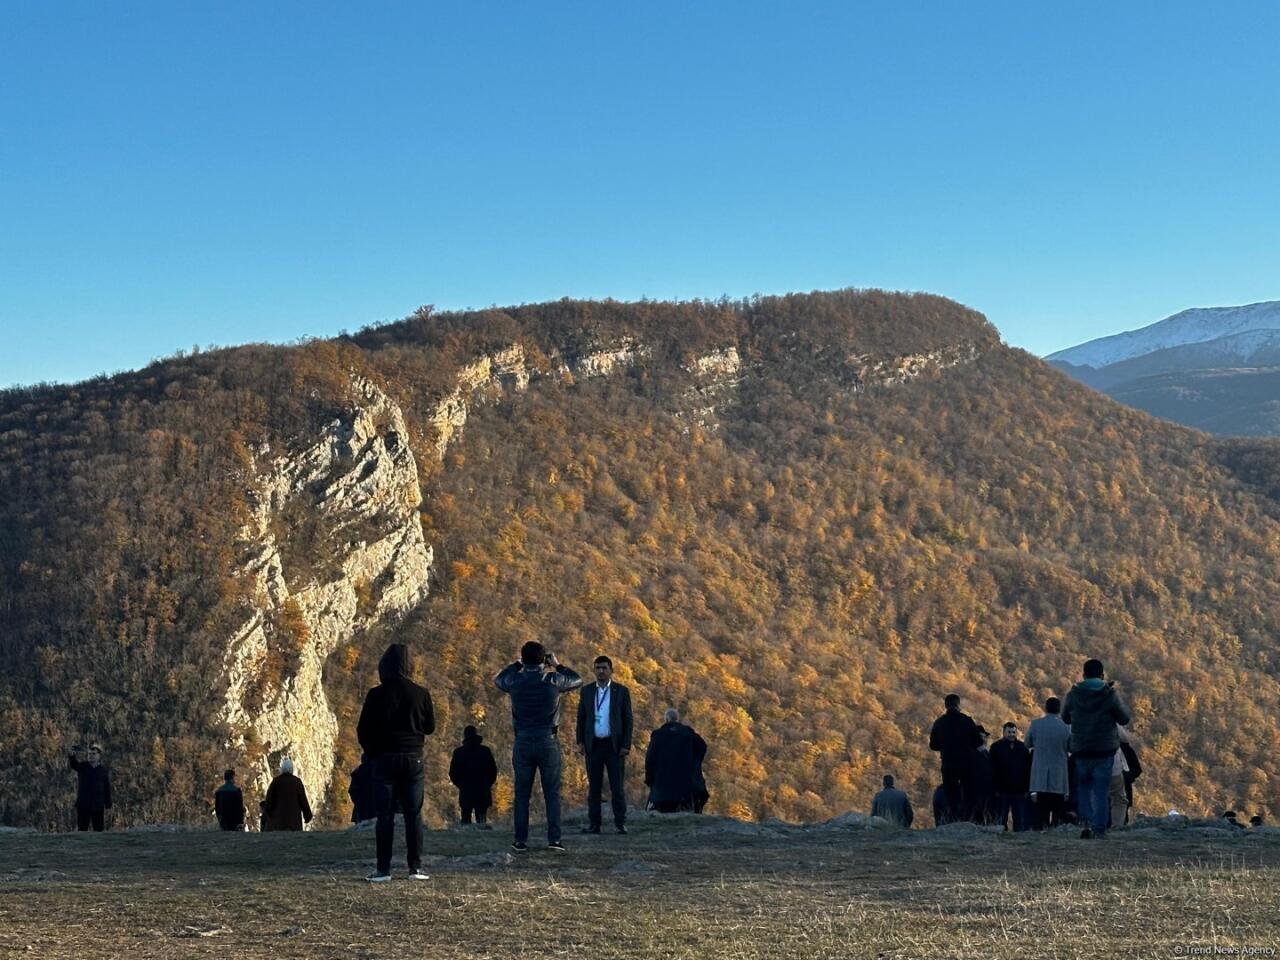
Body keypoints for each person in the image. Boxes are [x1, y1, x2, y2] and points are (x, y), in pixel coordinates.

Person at [357, 642, 436, 882]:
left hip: (384, 759)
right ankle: (416, 868)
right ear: (410, 666)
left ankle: (383, 870)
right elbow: (430, 727)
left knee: (385, 816)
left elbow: (363, 729)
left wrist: (372, 753)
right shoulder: (421, 693)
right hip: (413, 758)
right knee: (414, 814)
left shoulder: (375, 694)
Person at [494, 641, 583, 852]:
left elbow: (499, 680)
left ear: (523, 659)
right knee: (551, 792)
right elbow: (577, 679)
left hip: (523, 739)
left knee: (522, 792)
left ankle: (520, 840)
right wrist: (558, 665)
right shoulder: (553, 680)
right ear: (544, 660)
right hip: (547, 740)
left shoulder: (516, 680)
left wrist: (516, 665)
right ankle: (554, 839)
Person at [1062, 658, 1131, 839]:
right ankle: (1099, 828)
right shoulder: (1109, 695)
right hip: (1104, 749)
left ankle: (1085, 823)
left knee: (1084, 787)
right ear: (1102, 675)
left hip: (1081, 749)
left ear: (1084, 676)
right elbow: (1124, 718)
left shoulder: (1074, 694)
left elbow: (1065, 717)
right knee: (1101, 790)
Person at [575, 655, 634, 835]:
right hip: (594, 745)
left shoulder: (621, 691)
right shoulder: (586, 692)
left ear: (611, 671)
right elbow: (581, 718)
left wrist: (626, 744)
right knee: (594, 788)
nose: (601, 671)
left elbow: (628, 719)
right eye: (598, 668)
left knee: (617, 787)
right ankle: (595, 824)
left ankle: (620, 823)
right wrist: (580, 742)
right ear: (594, 670)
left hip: (614, 746)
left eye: (604, 668)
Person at [928, 694, 981, 823]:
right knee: (968, 791)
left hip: (948, 763)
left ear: (945, 705)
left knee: (951, 793)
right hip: (966, 763)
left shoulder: (940, 722)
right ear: (958, 705)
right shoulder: (966, 720)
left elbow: (933, 745)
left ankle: (953, 819)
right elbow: (978, 741)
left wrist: (945, 747)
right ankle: (968, 819)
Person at [645, 708, 708, 812]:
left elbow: (650, 758)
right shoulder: (688, 733)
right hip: (684, 782)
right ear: (677, 719)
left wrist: (649, 778)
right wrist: (694, 762)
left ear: (666, 719)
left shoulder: (657, 735)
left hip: (662, 784)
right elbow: (702, 747)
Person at [1025, 697, 1070, 829]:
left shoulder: (1035, 724)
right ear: (1059, 709)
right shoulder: (1066, 727)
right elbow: (1071, 747)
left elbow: (1027, 743)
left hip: (1040, 774)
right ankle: (1055, 831)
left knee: (1041, 810)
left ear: (1046, 708)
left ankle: (1041, 830)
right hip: (1059, 774)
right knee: (1057, 809)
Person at [449, 725, 498, 826]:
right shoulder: (485, 751)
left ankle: (466, 841)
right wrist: (487, 784)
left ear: (465, 736)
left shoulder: (459, 752)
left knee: (466, 821)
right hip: (482, 790)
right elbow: (493, 771)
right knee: (482, 821)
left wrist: (461, 785)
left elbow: (453, 773)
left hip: (466, 791)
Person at [990, 722, 1032, 832]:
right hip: (1002, 789)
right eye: (1009, 732)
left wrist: (1027, 788)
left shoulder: (1023, 748)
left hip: (1019, 789)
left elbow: (1027, 769)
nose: (1011, 734)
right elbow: (992, 769)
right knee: (1001, 818)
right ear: (1003, 732)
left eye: (1013, 732)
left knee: (1019, 819)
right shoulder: (996, 747)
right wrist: (995, 788)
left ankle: (1019, 840)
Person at [68, 743, 111, 832]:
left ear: (99, 756)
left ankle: (97, 846)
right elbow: (74, 765)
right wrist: (72, 756)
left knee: (98, 830)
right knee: (82, 829)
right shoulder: (83, 766)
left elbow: (106, 788)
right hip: (84, 804)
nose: (91, 756)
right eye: (89, 754)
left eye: (93, 754)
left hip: (98, 805)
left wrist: (108, 804)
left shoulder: (102, 770)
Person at [261, 757, 312, 832]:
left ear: (281, 769)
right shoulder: (297, 782)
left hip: (278, 822)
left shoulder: (276, 782)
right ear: (292, 769)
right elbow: (303, 801)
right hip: (294, 823)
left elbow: (269, 800)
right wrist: (307, 816)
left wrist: (268, 815)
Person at [971, 726, 994, 824]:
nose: (984, 740)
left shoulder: (987, 753)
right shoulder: (972, 754)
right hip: (976, 789)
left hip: (989, 788)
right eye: (981, 737)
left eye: (985, 737)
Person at [347, 754, 376, 824]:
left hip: (361, 807)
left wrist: (357, 801)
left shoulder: (357, 772)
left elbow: (352, 791)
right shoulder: (378, 771)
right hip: (376, 807)